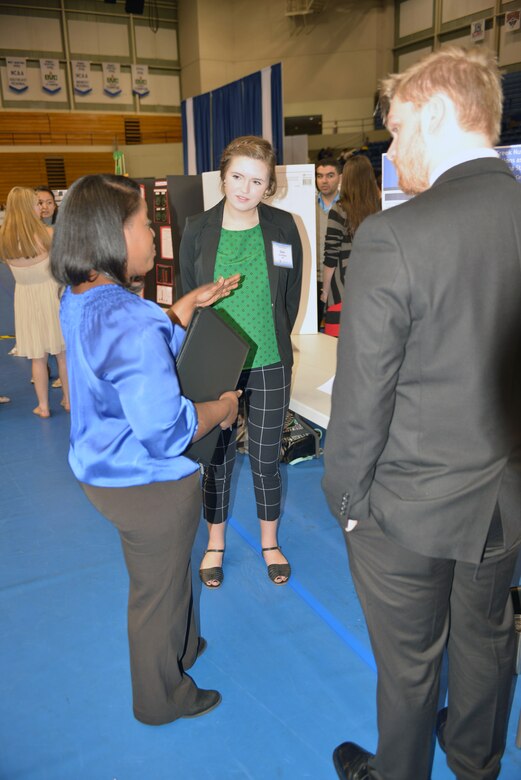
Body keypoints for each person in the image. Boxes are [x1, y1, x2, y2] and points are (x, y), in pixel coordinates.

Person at [322, 46, 521, 780]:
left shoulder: (396, 234)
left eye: (398, 128)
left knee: (408, 665)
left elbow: (361, 399)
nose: (390, 146)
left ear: (437, 113)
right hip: (503, 497)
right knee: (484, 637)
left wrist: (344, 499)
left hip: (405, 507)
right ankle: (474, 761)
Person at [50, 173, 242, 726]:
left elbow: (128, 345)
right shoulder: (130, 319)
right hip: (147, 480)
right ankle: (161, 698)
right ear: (112, 233)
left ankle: (179, 651)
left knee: (167, 576)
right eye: (143, 224)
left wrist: (181, 306)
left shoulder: (81, 296)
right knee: (155, 595)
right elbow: (170, 430)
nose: (157, 234)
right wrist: (223, 409)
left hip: (104, 465)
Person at [180, 135, 303, 588]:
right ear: (223, 176)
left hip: (270, 362)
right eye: (237, 177)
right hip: (216, 367)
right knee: (217, 459)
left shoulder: (284, 227)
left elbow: (288, 295)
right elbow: (190, 297)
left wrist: (273, 342)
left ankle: (270, 542)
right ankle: (216, 542)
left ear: (269, 185)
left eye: (257, 181)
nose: (245, 189)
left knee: (267, 460)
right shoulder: (196, 228)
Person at [0, 186, 69, 417]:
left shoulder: (4, 239)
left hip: (25, 299)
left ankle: (43, 406)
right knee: (62, 354)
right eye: (37, 203)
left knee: (37, 359)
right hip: (51, 295)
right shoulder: (48, 235)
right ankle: (68, 400)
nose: (41, 207)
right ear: (29, 207)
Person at [321, 155, 380, 336]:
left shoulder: (339, 209)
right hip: (377, 289)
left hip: (343, 290)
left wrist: (325, 290)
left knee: (337, 351)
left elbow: (331, 256)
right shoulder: (380, 207)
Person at [35, 186, 61, 388]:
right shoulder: (28, 230)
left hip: (59, 285)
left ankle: (66, 375)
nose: (45, 207)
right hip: (37, 289)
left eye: (49, 202)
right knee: (39, 333)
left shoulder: (62, 227)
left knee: (60, 336)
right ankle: (42, 369)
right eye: (40, 202)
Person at [315, 157, 342, 328]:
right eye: (320, 176)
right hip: (313, 278)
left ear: (340, 176)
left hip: (339, 279)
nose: (324, 181)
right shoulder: (305, 205)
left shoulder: (347, 205)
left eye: (330, 175)